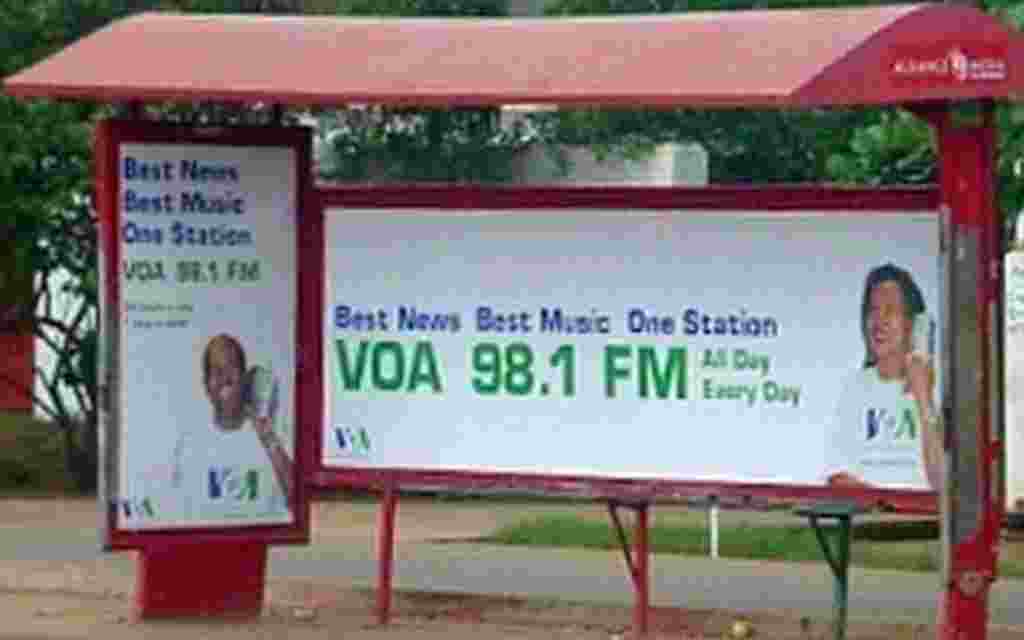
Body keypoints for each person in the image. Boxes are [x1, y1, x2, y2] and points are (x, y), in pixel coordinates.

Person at [825, 264, 943, 491]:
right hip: (871, 518)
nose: (879, 322)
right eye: (873, 311)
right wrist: (887, 507)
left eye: (890, 310)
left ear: (912, 323)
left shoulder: (938, 388)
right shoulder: (855, 387)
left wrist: (923, 398)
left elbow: (942, 485)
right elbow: (837, 477)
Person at [169, 334, 293, 519]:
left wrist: (267, 436)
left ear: (244, 378)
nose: (224, 378)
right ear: (206, 385)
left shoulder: (272, 434)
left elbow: (297, 499)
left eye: (232, 368)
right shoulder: (189, 444)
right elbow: (180, 514)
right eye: (216, 371)